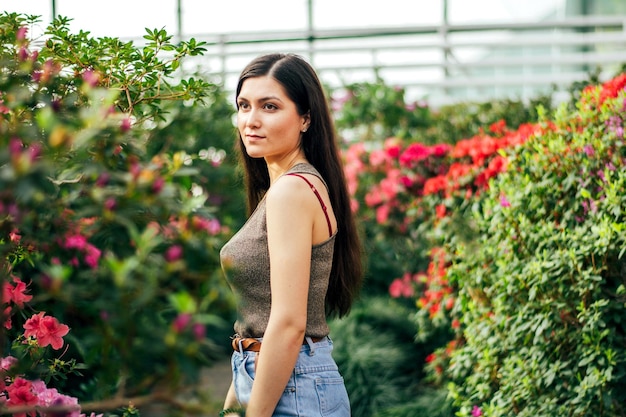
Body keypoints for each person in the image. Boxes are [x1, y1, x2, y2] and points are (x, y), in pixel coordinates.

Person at [219, 53, 363, 417]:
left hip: (293, 388)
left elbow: (287, 324)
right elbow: (263, 318)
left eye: (270, 106)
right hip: (282, 380)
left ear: (305, 118)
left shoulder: (291, 191)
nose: (251, 120)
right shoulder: (290, 187)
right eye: (244, 106)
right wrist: (234, 400)